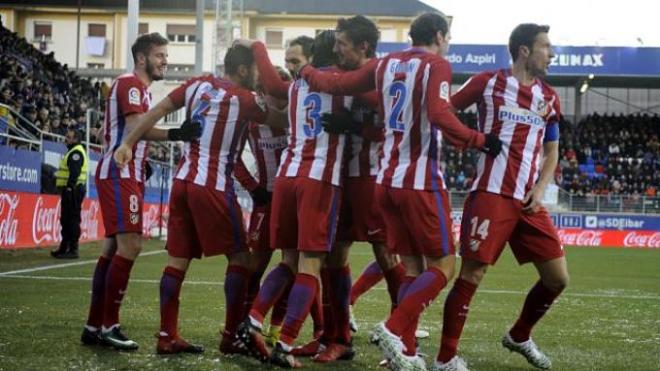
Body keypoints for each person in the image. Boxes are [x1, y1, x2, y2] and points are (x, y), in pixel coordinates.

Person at [298, 12, 502, 370]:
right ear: (439, 35)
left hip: (385, 181)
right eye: (448, 36)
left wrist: (305, 71)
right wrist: (479, 140)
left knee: (410, 265)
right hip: (420, 181)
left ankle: (404, 352)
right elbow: (439, 114)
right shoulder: (436, 65)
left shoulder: (386, 64)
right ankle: (394, 328)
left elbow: (339, 84)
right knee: (445, 264)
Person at [114, 44, 287, 355]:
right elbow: (279, 119)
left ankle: (167, 335)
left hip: (182, 182)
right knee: (241, 258)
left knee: (177, 261)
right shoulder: (244, 99)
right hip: (214, 186)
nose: (260, 77)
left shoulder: (197, 84)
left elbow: (157, 111)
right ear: (244, 70)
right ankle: (232, 335)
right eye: (257, 71)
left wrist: (128, 142)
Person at [435, 23, 569, 371]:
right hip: (491, 194)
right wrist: (471, 139)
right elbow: (443, 110)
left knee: (557, 278)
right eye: (546, 47)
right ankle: (445, 359)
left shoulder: (549, 98)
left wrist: (540, 188)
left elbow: (552, 150)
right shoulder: (487, 82)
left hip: (528, 202)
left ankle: (520, 334)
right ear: (524, 50)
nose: (551, 54)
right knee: (472, 275)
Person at [235, 31, 352, 368]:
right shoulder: (341, 82)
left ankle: (253, 319)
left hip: (286, 177)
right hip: (319, 179)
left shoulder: (298, 85)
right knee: (311, 265)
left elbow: (272, 85)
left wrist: (255, 45)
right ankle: (285, 344)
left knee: (288, 261)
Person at [80, 32, 200, 351]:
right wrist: (176, 132)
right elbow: (134, 129)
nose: (166, 61)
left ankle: (95, 325)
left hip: (125, 173)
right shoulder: (131, 84)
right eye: (160, 55)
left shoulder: (141, 91)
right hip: (120, 173)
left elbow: (135, 131)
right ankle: (109, 325)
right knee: (130, 245)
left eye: (166, 55)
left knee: (112, 250)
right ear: (143, 58)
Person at [51, 128, 88, 259]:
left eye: (69, 137)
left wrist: (69, 188)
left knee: (71, 220)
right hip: (73, 190)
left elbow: (74, 173)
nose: (66, 138)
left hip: (73, 190)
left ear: (75, 139)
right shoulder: (74, 151)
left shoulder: (75, 153)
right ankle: (64, 247)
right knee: (66, 219)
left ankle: (73, 249)